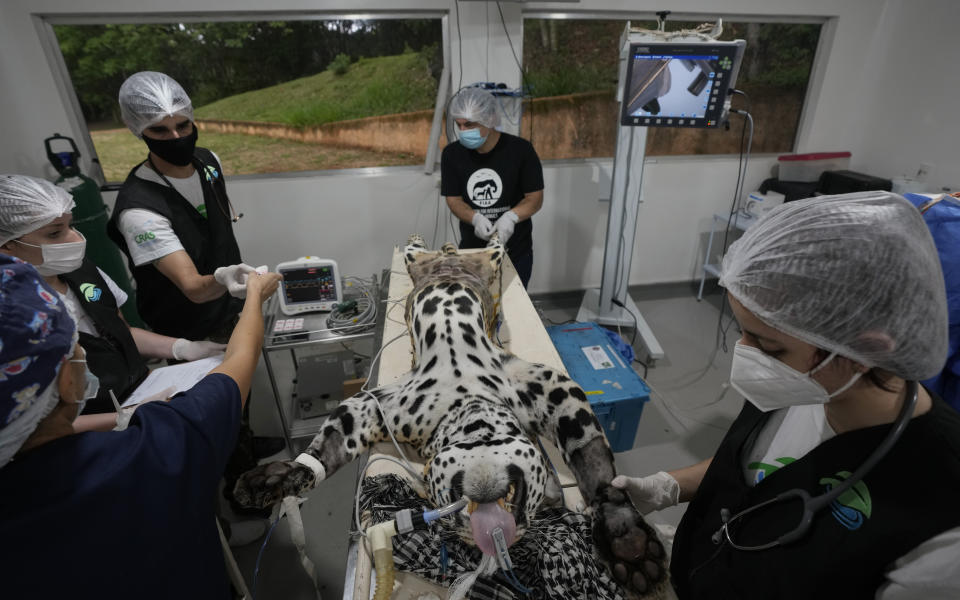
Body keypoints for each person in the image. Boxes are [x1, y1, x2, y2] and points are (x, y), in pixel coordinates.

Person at [612, 192, 960, 598]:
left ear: (867, 351)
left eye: (769, 346)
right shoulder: (800, 382)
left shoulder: (942, 515)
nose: (745, 353)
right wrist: (667, 485)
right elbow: (757, 468)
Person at [0, 253, 283, 597]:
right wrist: (254, 294)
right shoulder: (159, 449)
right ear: (64, 382)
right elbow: (240, 358)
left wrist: (182, 348)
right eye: (76, 348)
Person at [0, 174, 224, 424]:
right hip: (91, 429)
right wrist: (122, 418)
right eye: (54, 234)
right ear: (7, 245)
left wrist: (182, 348)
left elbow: (119, 331)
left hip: (138, 391)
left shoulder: (82, 271)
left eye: (70, 225)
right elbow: (39, 427)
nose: (75, 238)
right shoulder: (12, 315)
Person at [107, 71, 253, 342]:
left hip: (229, 311)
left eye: (183, 126)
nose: (176, 137)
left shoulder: (209, 162)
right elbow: (194, 289)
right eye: (160, 130)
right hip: (187, 333)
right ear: (137, 129)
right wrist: (225, 278)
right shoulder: (139, 211)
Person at [441, 87, 544, 288]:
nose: (463, 131)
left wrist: (511, 217)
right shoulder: (452, 154)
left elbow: (535, 198)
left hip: (516, 252)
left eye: (470, 124)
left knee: (512, 308)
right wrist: (475, 218)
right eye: (459, 125)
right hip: (472, 253)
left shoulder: (520, 150)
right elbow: (453, 200)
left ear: (489, 119)